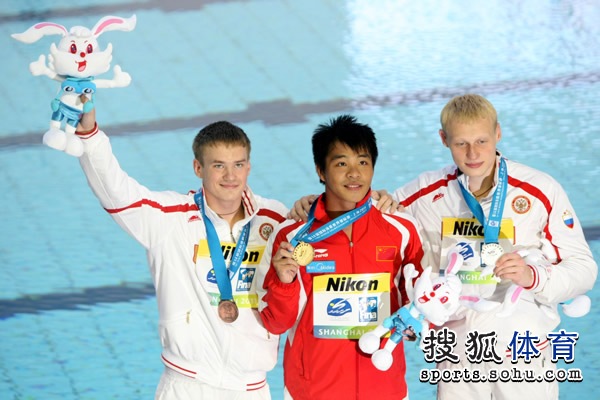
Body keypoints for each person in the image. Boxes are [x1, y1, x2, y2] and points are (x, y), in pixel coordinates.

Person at [290, 94, 598, 400]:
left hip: (523, 350)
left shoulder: (540, 190)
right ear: (443, 139)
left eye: (481, 141)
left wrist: (533, 277)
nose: (473, 153)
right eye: (461, 143)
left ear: (498, 133)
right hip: (458, 355)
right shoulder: (425, 193)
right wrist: (312, 205)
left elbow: (584, 269)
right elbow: (362, 207)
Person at [74, 103, 288, 399]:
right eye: (218, 165)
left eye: (238, 164)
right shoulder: (170, 218)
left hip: (251, 388)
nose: (230, 176)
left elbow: (320, 237)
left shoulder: (275, 219)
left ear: (248, 167)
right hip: (186, 385)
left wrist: (355, 205)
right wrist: (89, 135)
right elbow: (116, 192)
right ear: (198, 168)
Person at [257, 115, 425, 400]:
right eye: (341, 164)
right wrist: (284, 283)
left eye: (363, 162)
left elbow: (418, 305)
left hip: (384, 389)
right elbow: (276, 324)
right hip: (313, 391)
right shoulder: (293, 234)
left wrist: (416, 318)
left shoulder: (401, 229)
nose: (354, 173)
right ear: (320, 171)